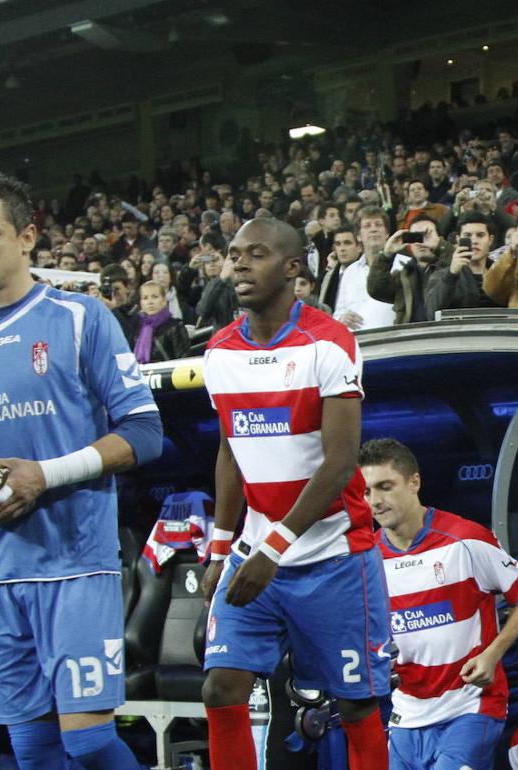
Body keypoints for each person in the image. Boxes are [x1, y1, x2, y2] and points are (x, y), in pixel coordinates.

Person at [0, 171, 163, 769]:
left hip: (76, 565)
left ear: (27, 237)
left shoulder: (79, 318)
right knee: (32, 748)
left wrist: (43, 475)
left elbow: (144, 433)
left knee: (87, 741)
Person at [200, 216, 391, 770]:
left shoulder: (329, 343)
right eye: (234, 253)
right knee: (220, 688)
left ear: (292, 269)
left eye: (254, 254)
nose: (238, 263)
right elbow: (231, 451)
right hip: (256, 553)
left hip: (333, 559)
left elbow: (338, 465)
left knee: (356, 704)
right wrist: (219, 549)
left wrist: (274, 550)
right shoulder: (219, 353)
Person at [358, 438, 518, 770]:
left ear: (414, 482)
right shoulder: (366, 560)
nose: (375, 501)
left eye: (385, 487)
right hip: (407, 715)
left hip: (470, 708)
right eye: (367, 491)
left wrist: (492, 654)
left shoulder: (467, 539)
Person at [126, 280, 191, 363]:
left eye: (155, 297)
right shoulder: (136, 327)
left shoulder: (175, 326)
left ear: (164, 301)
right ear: (141, 303)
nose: (150, 302)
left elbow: (183, 359)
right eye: (145, 298)